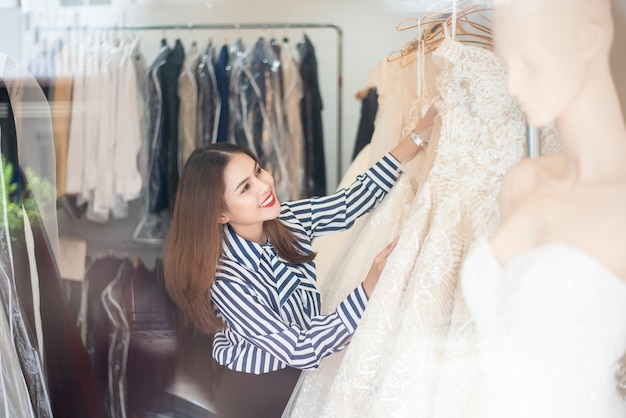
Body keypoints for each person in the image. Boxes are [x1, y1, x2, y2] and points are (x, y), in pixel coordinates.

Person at [162, 105, 436, 418]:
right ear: (220, 213)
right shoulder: (227, 283)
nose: (265, 185)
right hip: (255, 395)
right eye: (246, 187)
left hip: (304, 380)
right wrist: (368, 288)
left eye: (258, 171)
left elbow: (347, 205)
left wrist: (417, 137)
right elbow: (299, 349)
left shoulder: (288, 219)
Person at [460, 0, 626, 416]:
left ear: (590, 39)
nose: (512, 86)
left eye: (531, 61)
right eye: (506, 63)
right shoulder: (522, 180)